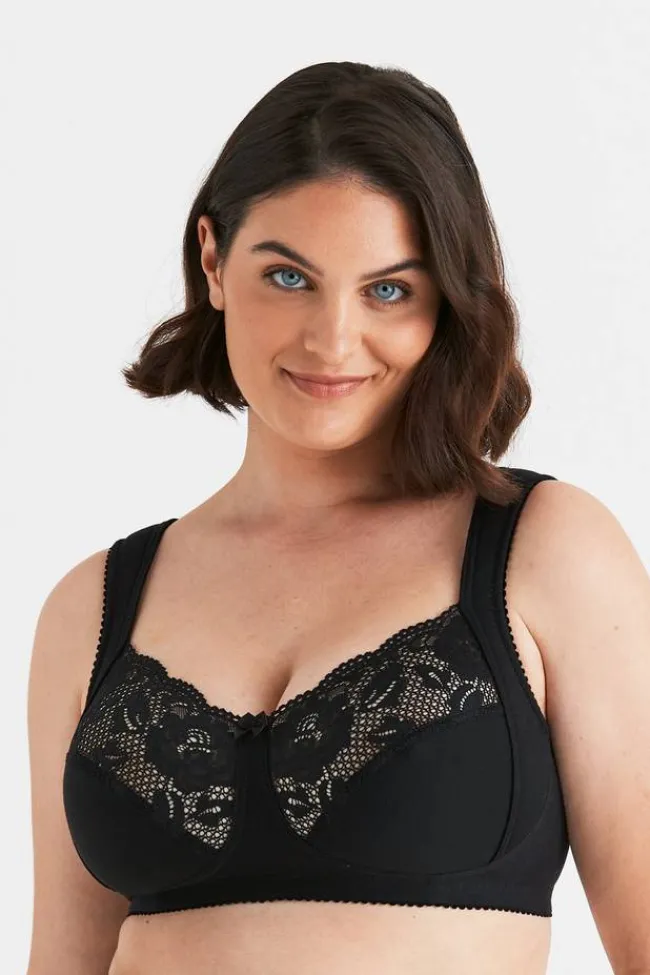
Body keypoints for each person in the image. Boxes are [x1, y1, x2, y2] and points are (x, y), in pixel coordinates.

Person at [26, 61, 650, 975]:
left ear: (446, 297)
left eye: (388, 289)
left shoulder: (544, 550)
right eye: (289, 276)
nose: (332, 340)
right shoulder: (92, 607)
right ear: (213, 260)